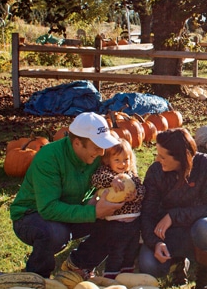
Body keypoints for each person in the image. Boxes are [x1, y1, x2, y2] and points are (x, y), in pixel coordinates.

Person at [9, 112, 124, 278]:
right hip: (31, 215)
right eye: (97, 147)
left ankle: (79, 264)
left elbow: (118, 170)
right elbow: (48, 208)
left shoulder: (97, 155)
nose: (101, 152)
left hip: (72, 209)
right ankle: (36, 278)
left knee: (115, 222)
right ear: (77, 143)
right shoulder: (49, 158)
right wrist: (93, 212)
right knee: (56, 233)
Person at [139, 128, 207, 289]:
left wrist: (173, 215)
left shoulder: (206, 165)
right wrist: (155, 243)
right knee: (148, 265)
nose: (157, 159)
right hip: (167, 235)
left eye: (163, 157)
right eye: (157, 154)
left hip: (196, 231)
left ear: (181, 157)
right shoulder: (155, 172)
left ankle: (202, 286)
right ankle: (176, 264)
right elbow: (146, 213)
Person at [88, 138, 146, 278]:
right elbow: (96, 179)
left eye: (126, 160)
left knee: (131, 250)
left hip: (134, 222)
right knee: (117, 250)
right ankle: (111, 276)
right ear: (108, 160)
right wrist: (111, 180)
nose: (122, 164)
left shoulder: (132, 176)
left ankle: (126, 275)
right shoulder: (106, 173)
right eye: (117, 160)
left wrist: (136, 195)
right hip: (115, 222)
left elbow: (142, 190)